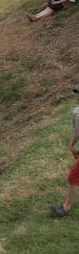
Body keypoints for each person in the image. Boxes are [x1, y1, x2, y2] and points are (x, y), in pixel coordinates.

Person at [50, 87, 79, 217]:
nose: (77, 95)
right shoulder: (76, 112)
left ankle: (66, 208)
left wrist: (73, 145)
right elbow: (77, 131)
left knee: (73, 176)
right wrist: (72, 145)